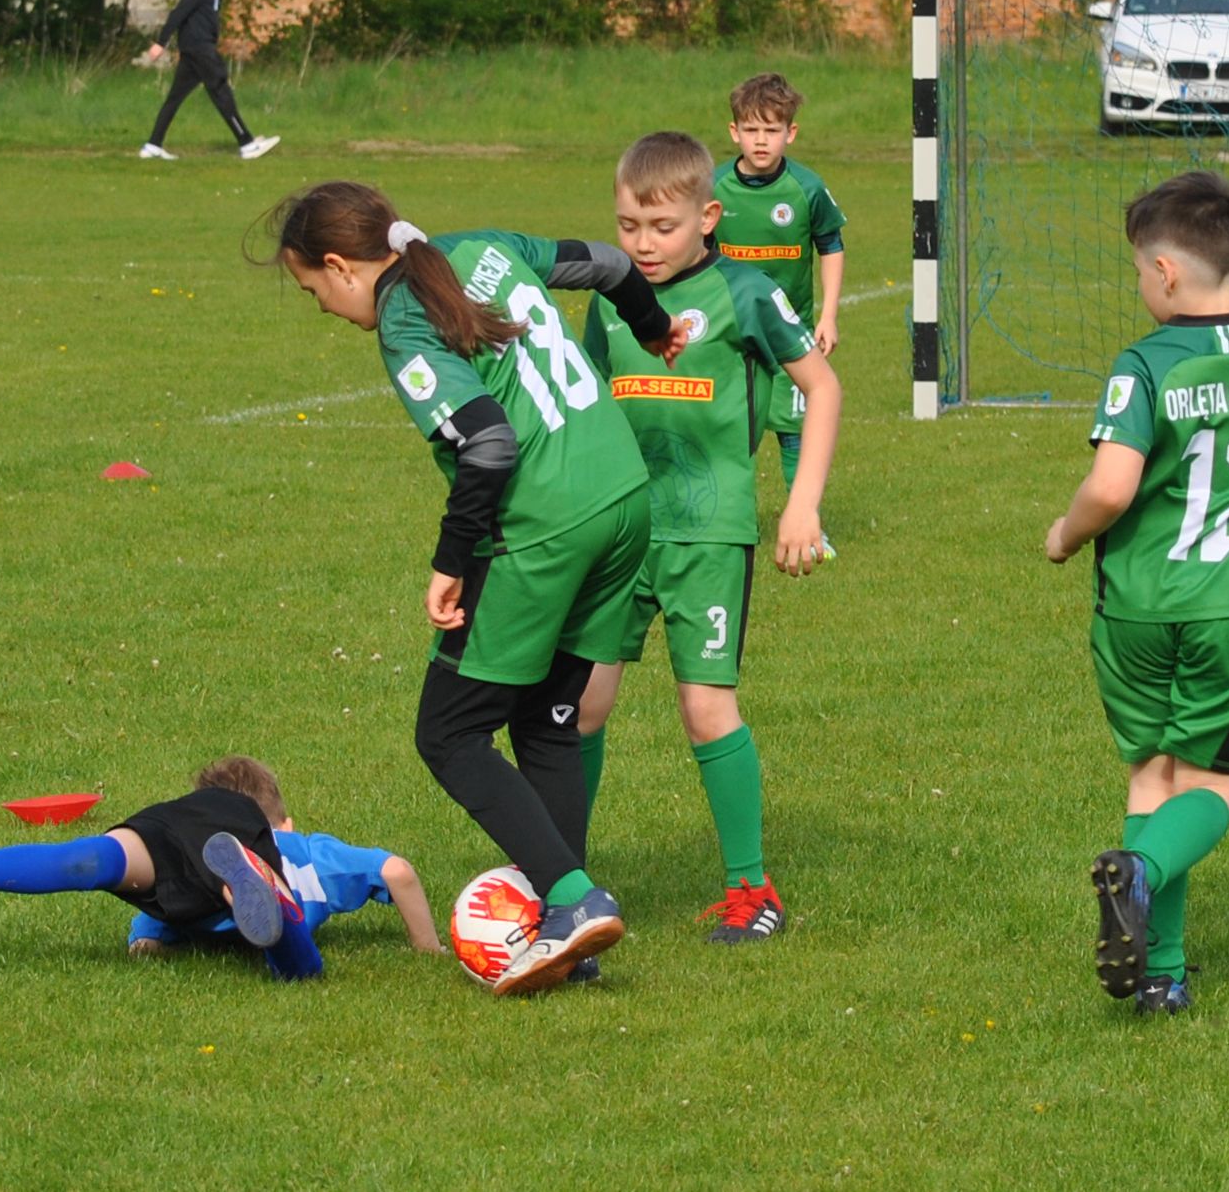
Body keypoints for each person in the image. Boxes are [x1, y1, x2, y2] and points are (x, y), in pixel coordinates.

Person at [262, 180, 688, 994]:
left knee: (449, 731)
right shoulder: (479, 246)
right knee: (549, 720)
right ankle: (571, 931)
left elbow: (488, 446)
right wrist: (653, 325)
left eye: (313, 289)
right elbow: (604, 264)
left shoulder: (404, 320)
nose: (320, 308)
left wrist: (452, 560)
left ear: (342, 265)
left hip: (548, 522)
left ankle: (572, 895)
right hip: (621, 494)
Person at [1045, 170, 1229, 1015]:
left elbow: (1111, 489)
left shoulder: (1145, 363)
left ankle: (1162, 973)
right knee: (1214, 786)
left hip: (1135, 607)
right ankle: (1142, 874)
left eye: (1140, 270)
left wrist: (1064, 536)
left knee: (1153, 774)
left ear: (1167, 272)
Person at [576, 132, 841, 944]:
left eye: (660, 226)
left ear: (707, 216)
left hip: (709, 530)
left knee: (704, 706)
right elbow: (585, 408)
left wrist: (802, 506)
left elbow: (822, 389)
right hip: (621, 528)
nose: (642, 244)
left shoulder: (746, 292)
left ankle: (750, 889)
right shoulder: (609, 298)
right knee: (579, 706)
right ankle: (565, 881)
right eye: (628, 226)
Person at [0, 756, 439, 980]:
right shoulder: (313, 848)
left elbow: (147, 946)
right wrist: (426, 948)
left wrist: (151, 943)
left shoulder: (201, 810)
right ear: (284, 823)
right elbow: (398, 872)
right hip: (250, 853)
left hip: (169, 827)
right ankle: (267, 898)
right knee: (296, 961)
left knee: (91, 859)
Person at [712, 72, 847, 554]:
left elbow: (830, 245)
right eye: (751, 130)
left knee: (795, 431)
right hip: (730, 335)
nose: (761, 140)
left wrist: (828, 316)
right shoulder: (714, 189)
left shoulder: (806, 189)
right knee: (730, 432)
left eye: (772, 130)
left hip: (791, 335)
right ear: (735, 133)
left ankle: (806, 524)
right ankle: (725, 523)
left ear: (791, 133)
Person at [138, 0, 279, 162]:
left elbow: (211, 9)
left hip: (196, 47)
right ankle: (247, 143)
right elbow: (181, 11)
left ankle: (153, 145)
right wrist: (161, 42)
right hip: (199, 45)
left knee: (175, 97)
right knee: (221, 90)